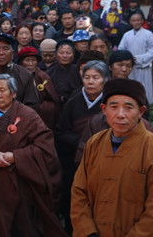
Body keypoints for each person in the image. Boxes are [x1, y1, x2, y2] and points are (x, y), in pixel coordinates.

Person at [71, 79, 153, 237]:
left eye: (129, 108)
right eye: (113, 107)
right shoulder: (94, 144)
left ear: (141, 112)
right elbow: (79, 192)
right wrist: (87, 231)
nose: (120, 115)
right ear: (104, 109)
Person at [0, 74, 66, 237]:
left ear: (13, 93)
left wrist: (16, 157)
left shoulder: (28, 115)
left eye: (2, 90)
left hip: (22, 180)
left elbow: (44, 147)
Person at [55, 60, 109, 233]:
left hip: (105, 162)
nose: (90, 82)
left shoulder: (111, 103)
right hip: (75, 162)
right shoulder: (73, 102)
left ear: (105, 80)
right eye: (86, 77)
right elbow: (60, 132)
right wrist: (82, 144)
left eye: (95, 77)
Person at [118, 13, 153, 103]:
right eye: (134, 21)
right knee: (131, 89)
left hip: (144, 67)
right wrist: (128, 59)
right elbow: (121, 49)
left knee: (145, 88)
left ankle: (146, 108)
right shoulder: (127, 35)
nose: (136, 22)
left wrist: (139, 59)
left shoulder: (148, 34)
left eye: (138, 20)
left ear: (142, 21)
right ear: (130, 22)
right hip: (130, 67)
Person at [17, 46, 59, 130]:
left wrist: (40, 108)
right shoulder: (16, 76)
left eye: (33, 60)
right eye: (27, 60)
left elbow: (53, 100)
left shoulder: (43, 77)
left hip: (40, 116)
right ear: (21, 63)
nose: (31, 64)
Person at [46, 39, 82, 105]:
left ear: (73, 55)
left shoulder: (79, 70)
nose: (65, 56)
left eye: (68, 53)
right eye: (61, 53)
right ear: (56, 55)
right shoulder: (49, 72)